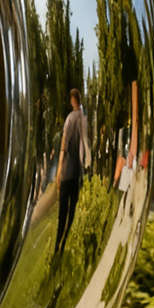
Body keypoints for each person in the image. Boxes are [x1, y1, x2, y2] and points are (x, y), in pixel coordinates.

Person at [55, 88, 89, 253]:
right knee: (72, 209)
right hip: (77, 172)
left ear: (73, 100)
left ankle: (58, 244)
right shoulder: (84, 118)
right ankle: (65, 241)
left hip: (68, 170)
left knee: (63, 208)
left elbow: (63, 145)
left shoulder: (70, 118)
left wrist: (59, 170)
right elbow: (85, 143)